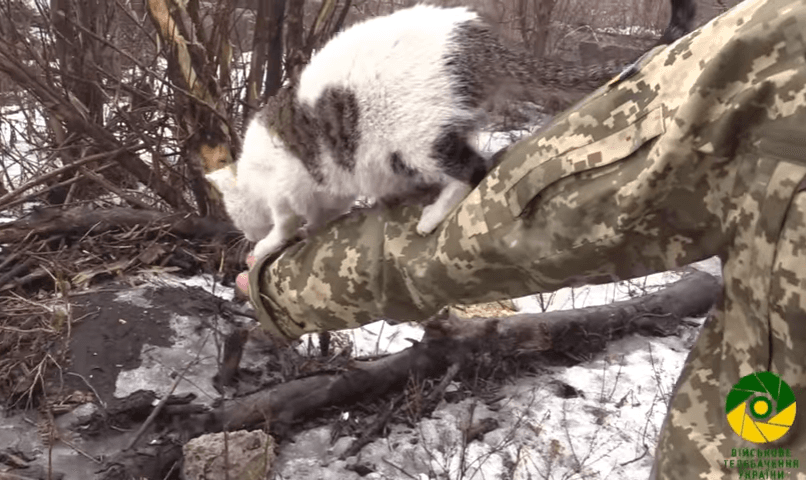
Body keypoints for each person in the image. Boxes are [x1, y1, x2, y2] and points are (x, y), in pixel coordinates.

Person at [235, 0, 806, 477]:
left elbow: (529, 215)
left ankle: (457, 170)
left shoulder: (782, 50)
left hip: (758, 446)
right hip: (766, 445)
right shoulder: (782, 50)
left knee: (437, 153)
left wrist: (286, 281)